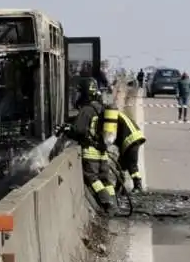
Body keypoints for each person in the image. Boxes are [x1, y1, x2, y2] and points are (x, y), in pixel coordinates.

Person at [59, 78, 119, 214]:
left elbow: (79, 130)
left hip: (90, 153)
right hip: (103, 152)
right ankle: (114, 203)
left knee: (93, 179)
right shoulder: (101, 108)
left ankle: (107, 203)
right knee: (105, 179)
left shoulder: (86, 110)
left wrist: (67, 130)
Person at [113, 108, 146, 192]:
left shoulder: (112, 117)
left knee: (131, 164)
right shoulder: (118, 114)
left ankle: (138, 185)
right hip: (133, 138)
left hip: (131, 139)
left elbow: (111, 134)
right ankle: (119, 185)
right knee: (121, 164)